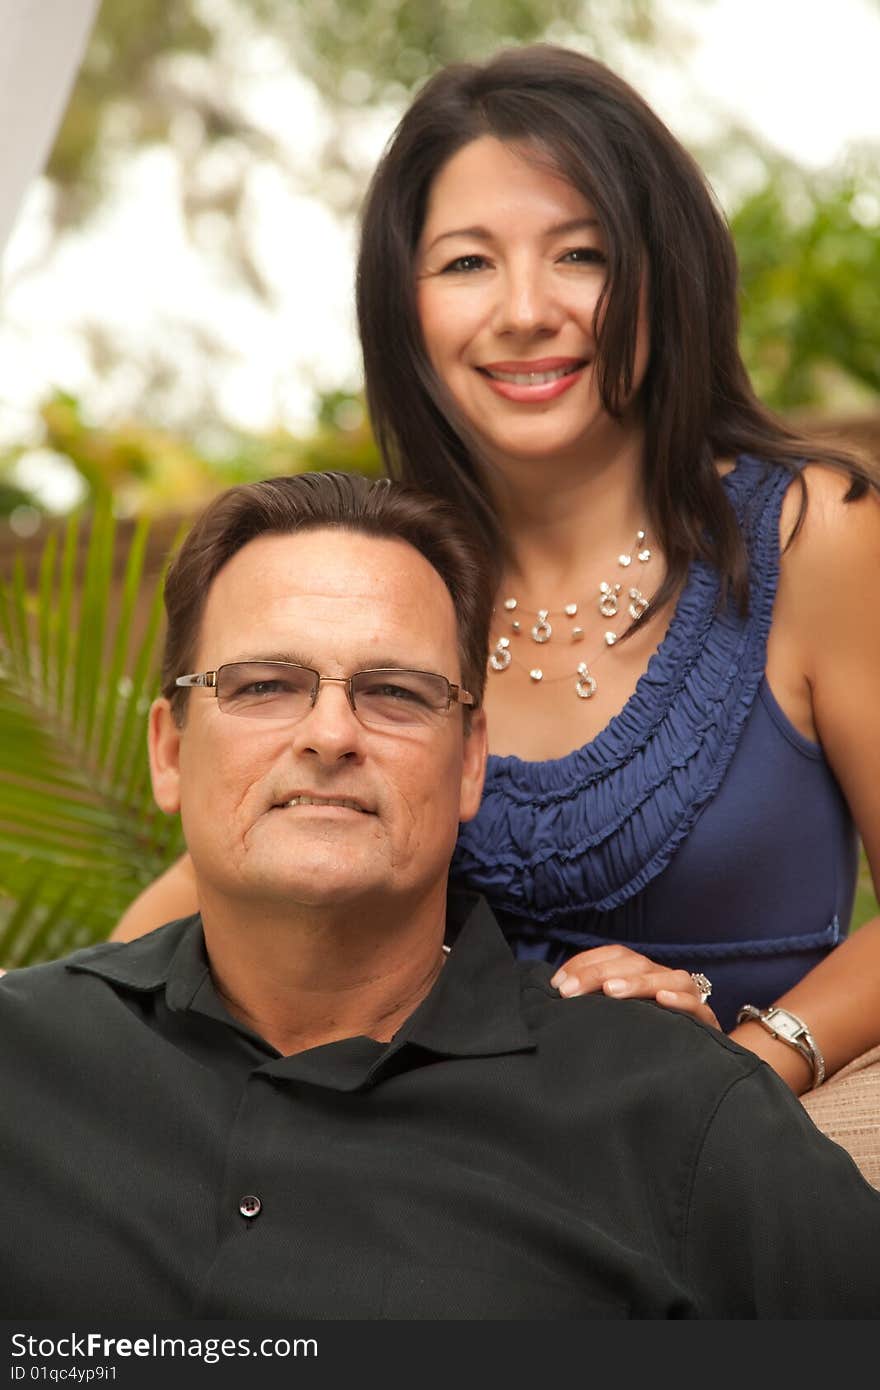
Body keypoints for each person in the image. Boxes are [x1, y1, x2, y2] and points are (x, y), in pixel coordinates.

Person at [112, 47, 880, 1118]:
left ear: (666, 273)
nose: (524, 309)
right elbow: (226, 864)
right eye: (467, 264)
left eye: (581, 255)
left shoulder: (816, 534)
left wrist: (755, 1069)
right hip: (455, 1151)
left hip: (779, 1125)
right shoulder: (385, 584)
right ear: (404, 306)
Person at [3, 469, 880, 1320]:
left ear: (470, 764)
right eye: (264, 685)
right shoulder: (30, 1063)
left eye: (394, 692)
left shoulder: (665, 1111)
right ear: (168, 750)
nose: (330, 734)